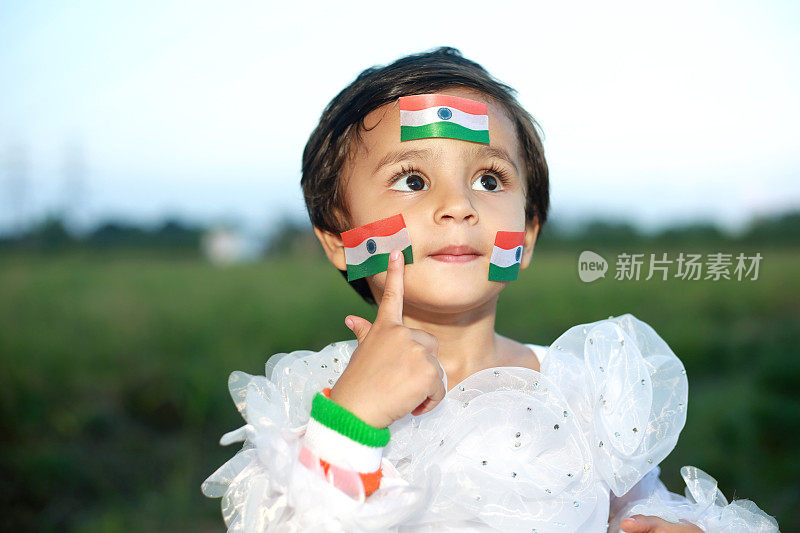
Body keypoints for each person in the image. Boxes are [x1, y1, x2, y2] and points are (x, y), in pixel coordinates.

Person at [202, 47, 779, 532]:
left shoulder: (582, 389)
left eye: (489, 179)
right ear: (339, 240)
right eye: (412, 179)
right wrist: (354, 421)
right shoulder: (316, 406)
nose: (458, 206)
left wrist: (658, 522)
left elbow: (634, 503)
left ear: (526, 236)